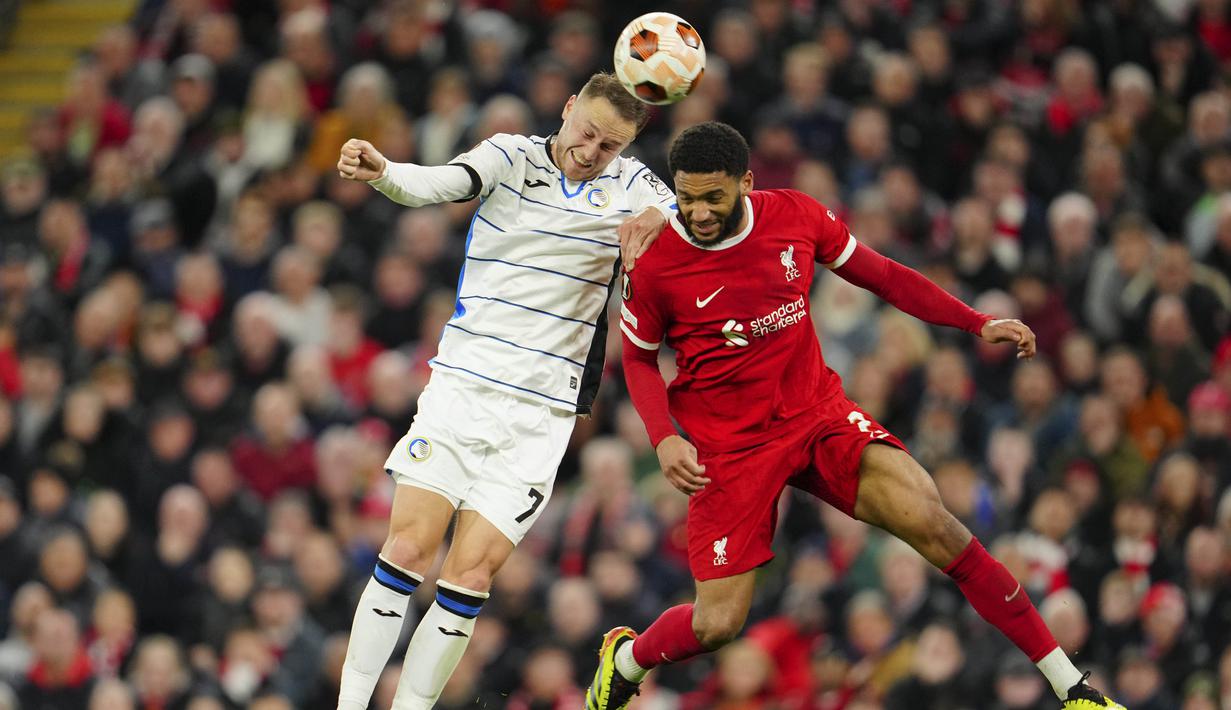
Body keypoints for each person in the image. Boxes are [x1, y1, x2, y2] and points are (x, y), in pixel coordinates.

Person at [586, 122, 1123, 710]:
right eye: (686, 198)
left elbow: (885, 276)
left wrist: (975, 321)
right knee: (716, 626)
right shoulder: (657, 262)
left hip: (817, 415)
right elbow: (637, 359)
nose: (699, 212)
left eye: (713, 197)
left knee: (936, 524)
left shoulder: (794, 216)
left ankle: (1074, 689)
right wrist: (664, 439)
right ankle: (628, 659)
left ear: (746, 181)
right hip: (730, 449)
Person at [332, 72, 674, 710]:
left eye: (610, 145)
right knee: (407, 546)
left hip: (542, 417)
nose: (592, 150)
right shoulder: (508, 156)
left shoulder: (635, 187)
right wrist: (383, 170)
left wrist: (662, 217)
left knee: (471, 574)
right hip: (463, 388)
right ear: (567, 108)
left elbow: (688, 219)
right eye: (586, 132)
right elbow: (439, 182)